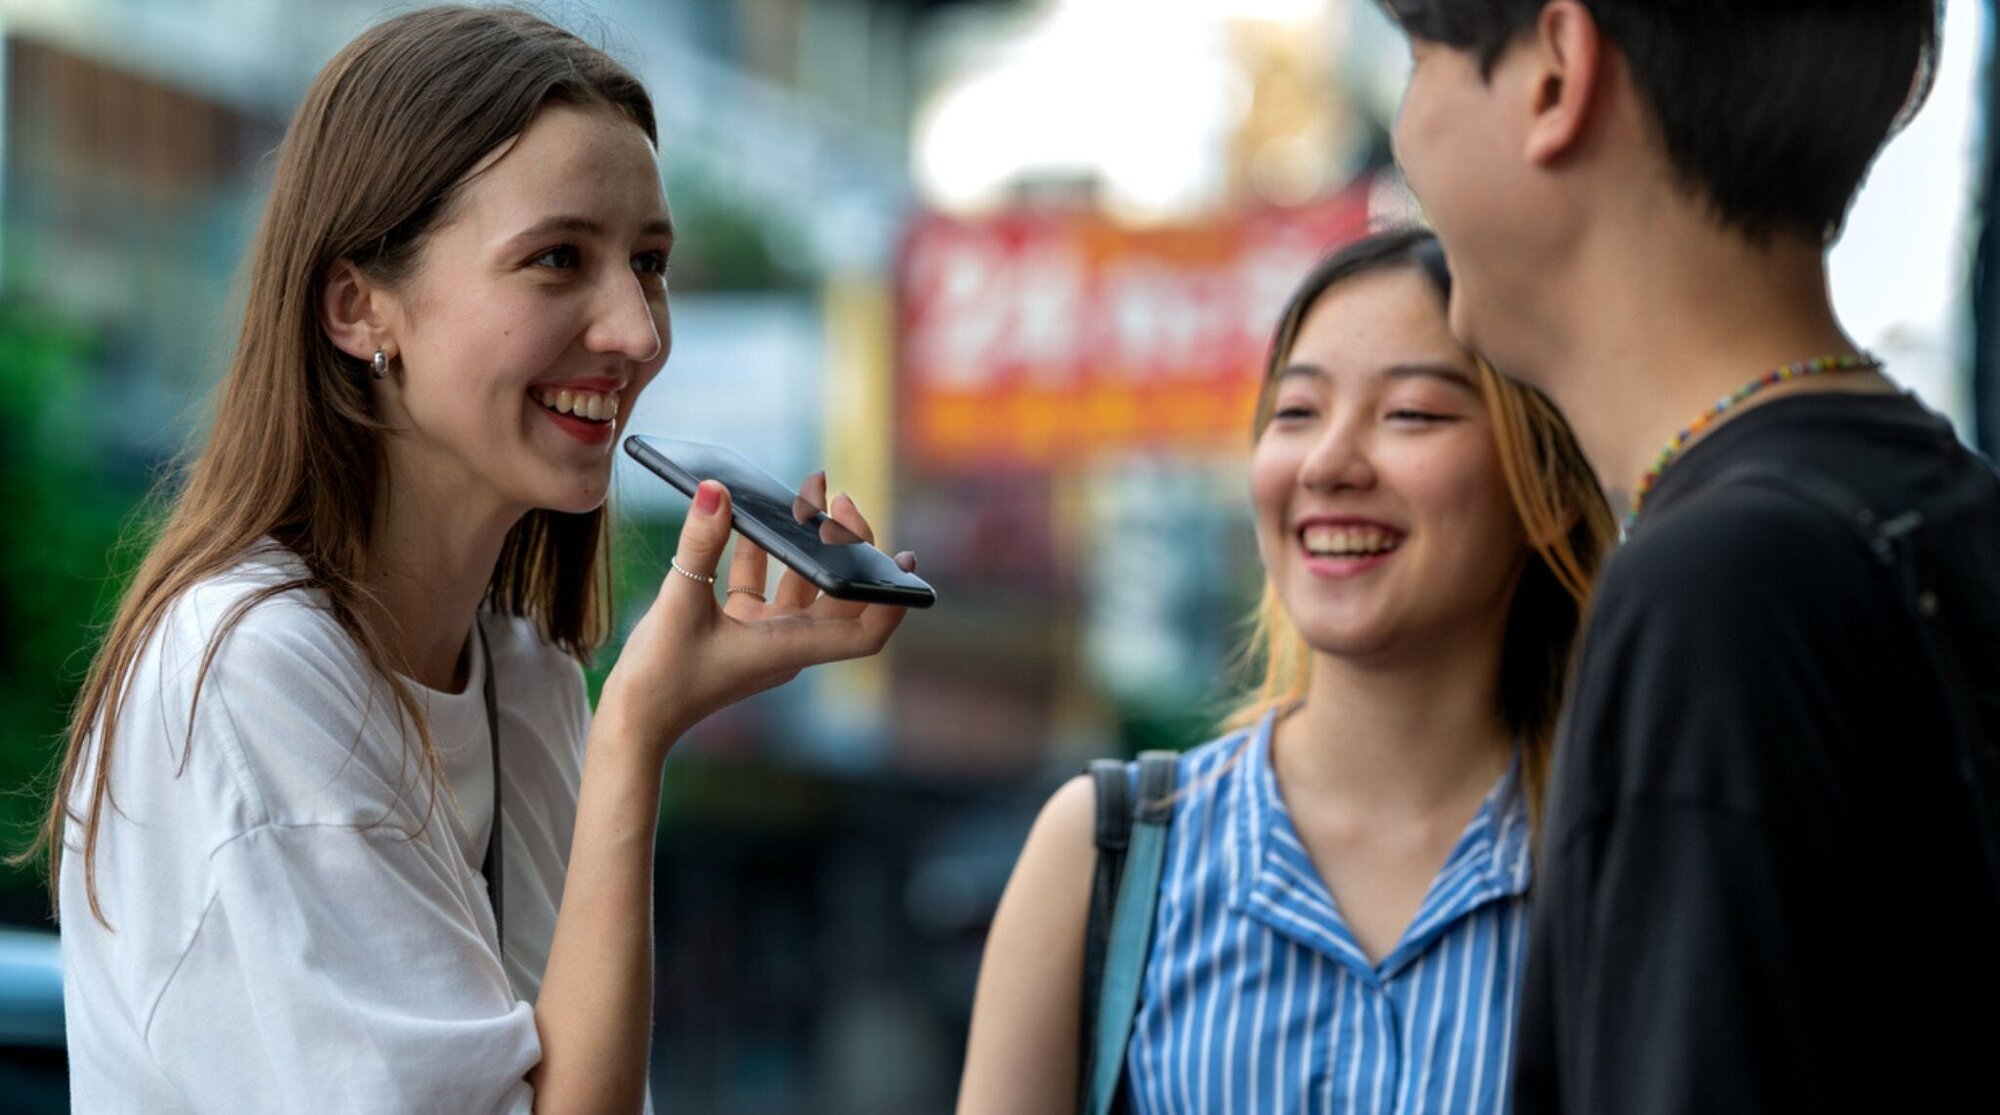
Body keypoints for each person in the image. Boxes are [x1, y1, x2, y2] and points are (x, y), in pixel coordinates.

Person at [28, 8, 914, 1111]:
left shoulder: (524, 671)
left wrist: (629, 720)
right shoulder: (253, 672)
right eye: (557, 259)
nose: (636, 332)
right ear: (358, 307)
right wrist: (636, 728)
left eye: (648, 264)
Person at [1377, 1, 2000, 1109]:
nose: (1404, 124)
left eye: (1422, 59)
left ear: (1556, 76)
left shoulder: (1717, 589)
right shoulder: (1941, 511)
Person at [956, 227, 1612, 1114]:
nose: (1329, 463)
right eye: (1296, 413)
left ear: (1551, 484)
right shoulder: (1108, 851)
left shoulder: (1630, 861)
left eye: (1412, 412)